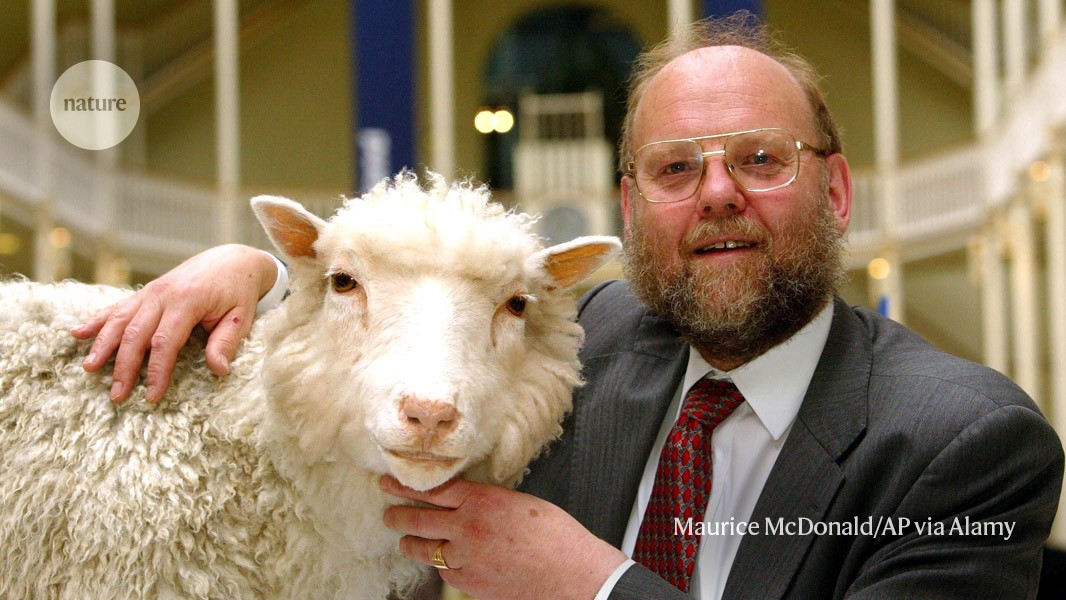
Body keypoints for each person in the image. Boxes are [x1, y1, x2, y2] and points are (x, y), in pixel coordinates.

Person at [73, 14, 1063, 600]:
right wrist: (257, 272)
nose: (717, 193)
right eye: (676, 169)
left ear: (836, 193)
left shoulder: (964, 447)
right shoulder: (575, 341)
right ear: (631, 209)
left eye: (761, 158)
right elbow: (409, 330)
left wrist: (593, 586)